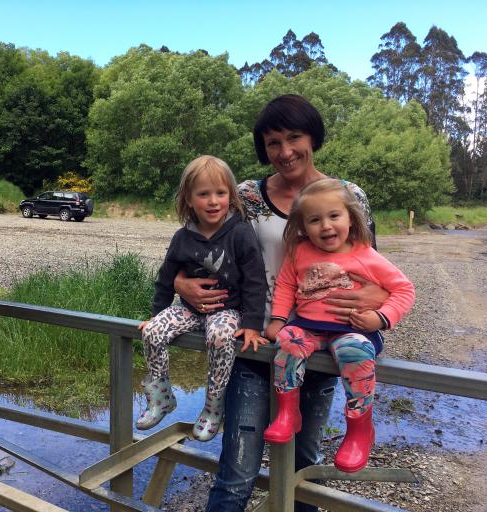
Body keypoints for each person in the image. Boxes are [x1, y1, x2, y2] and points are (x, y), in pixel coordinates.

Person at [174, 94, 389, 512]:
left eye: (294, 137)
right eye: (273, 142)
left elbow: (373, 269)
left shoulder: (347, 196)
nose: (285, 151)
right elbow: (193, 250)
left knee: (305, 468)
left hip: (323, 347)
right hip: (255, 347)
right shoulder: (244, 197)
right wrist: (182, 284)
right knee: (236, 471)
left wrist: (369, 307)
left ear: (314, 137)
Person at [263, 178, 415, 473]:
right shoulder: (299, 252)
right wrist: (279, 320)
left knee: (354, 353)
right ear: (302, 226)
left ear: (350, 217)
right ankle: (287, 412)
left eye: (334, 216)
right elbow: (284, 286)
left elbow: (405, 290)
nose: (326, 226)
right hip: (307, 325)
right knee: (287, 341)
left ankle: (359, 430)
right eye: (315, 220)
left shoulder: (364, 253)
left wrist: (381, 318)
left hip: (351, 329)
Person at [137, 155, 268, 442]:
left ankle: (213, 405)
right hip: (189, 309)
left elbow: (256, 280)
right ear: (188, 198)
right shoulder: (183, 237)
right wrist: (156, 314)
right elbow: (165, 277)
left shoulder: (241, 233)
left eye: (220, 193)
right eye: (204, 194)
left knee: (221, 338)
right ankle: (160, 396)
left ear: (230, 196)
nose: (213, 201)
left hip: (227, 309)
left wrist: (253, 323)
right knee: (153, 331)